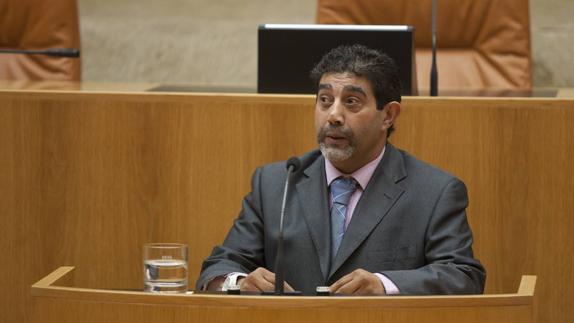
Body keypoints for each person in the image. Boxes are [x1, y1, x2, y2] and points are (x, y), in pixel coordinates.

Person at [196, 44, 486, 295]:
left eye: (351, 102)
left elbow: (463, 276)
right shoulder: (275, 183)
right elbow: (218, 268)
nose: (333, 115)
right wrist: (240, 281)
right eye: (325, 100)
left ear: (388, 115)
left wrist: (385, 285)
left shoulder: (434, 192)